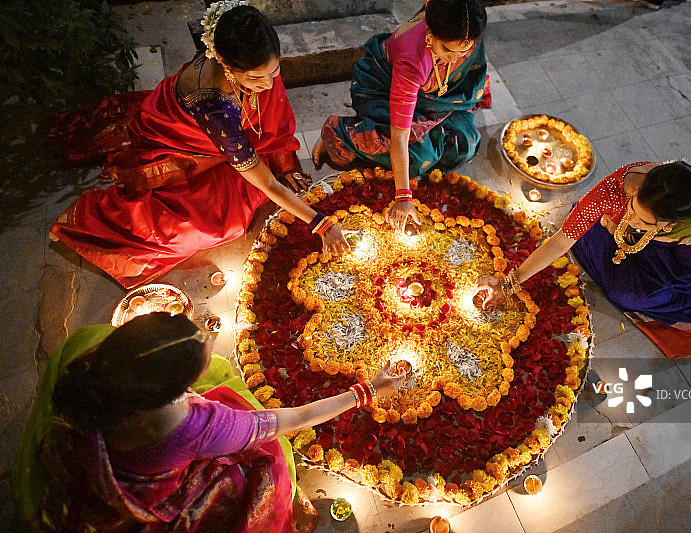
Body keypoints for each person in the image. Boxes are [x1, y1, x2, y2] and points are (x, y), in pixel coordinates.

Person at [13, 312, 409, 532]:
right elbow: (297, 418)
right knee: (268, 458)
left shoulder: (89, 356)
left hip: (95, 458)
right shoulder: (193, 426)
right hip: (154, 482)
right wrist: (368, 391)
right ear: (174, 390)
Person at [50, 2, 352, 289]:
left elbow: (273, 111)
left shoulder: (248, 54)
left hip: (225, 137)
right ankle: (92, 220)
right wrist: (322, 224)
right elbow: (269, 185)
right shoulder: (213, 104)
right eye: (257, 78)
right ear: (225, 63)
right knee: (206, 227)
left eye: (274, 71)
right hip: (183, 148)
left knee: (260, 165)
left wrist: (283, 157)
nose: (270, 85)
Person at [477, 160, 691, 358]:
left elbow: (689, 272)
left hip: (669, 265)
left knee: (626, 295)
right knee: (582, 226)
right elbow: (563, 239)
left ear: (671, 223)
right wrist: (509, 283)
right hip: (621, 234)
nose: (634, 218)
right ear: (637, 189)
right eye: (634, 209)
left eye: (645, 221)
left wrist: (665, 241)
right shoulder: (615, 190)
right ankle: (624, 247)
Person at [312, 0, 490, 232]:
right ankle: (342, 133)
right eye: (446, 49)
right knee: (417, 160)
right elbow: (399, 137)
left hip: (433, 100)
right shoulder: (412, 61)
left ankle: (428, 126)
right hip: (382, 94)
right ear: (429, 32)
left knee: (464, 146)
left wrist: (457, 53)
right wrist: (403, 197)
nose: (455, 59)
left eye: (466, 49)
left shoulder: (461, 22)